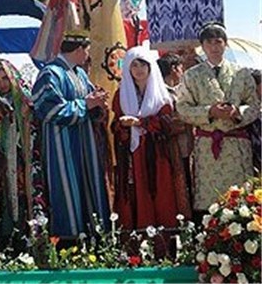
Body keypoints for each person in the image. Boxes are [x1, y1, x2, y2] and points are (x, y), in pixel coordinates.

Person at [31, 31, 111, 239]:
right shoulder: (50, 73)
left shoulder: (80, 73)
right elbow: (47, 110)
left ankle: (95, 239)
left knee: (89, 190)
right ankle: (69, 242)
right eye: (86, 50)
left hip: (85, 145)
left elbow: (90, 101)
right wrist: (87, 104)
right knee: (67, 192)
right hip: (61, 147)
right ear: (78, 50)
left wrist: (98, 103)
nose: (87, 55)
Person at [176, 23, 260, 216]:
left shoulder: (242, 73)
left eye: (218, 42)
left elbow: (255, 106)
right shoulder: (191, 76)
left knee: (241, 203)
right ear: (202, 46)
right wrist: (209, 111)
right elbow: (182, 108)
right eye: (209, 42)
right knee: (210, 202)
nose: (214, 47)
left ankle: (241, 239)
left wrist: (237, 112)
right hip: (208, 147)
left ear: (225, 44)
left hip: (237, 146)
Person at [111, 47, 191, 229]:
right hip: (131, 156)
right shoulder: (121, 95)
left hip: (158, 157)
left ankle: (163, 246)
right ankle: (135, 248)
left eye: (143, 65)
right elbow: (115, 125)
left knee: (161, 195)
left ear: (150, 67)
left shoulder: (161, 94)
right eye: (134, 65)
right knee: (133, 195)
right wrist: (122, 126)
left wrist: (140, 123)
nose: (139, 69)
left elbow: (167, 124)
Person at [0, 58, 38, 240]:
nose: (2, 84)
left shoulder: (24, 99)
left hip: (23, 159)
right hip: (1, 162)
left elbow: (35, 126)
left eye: (5, 78)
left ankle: (29, 239)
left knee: (24, 198)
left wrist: (23, 116)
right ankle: (4, 242)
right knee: (4, 199)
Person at [158, 53, 195, 205]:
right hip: (172, 148)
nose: (182, 71)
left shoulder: (181, 90)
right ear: (173, 69)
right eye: (180, 67)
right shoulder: (161, 93)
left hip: (187, 146)